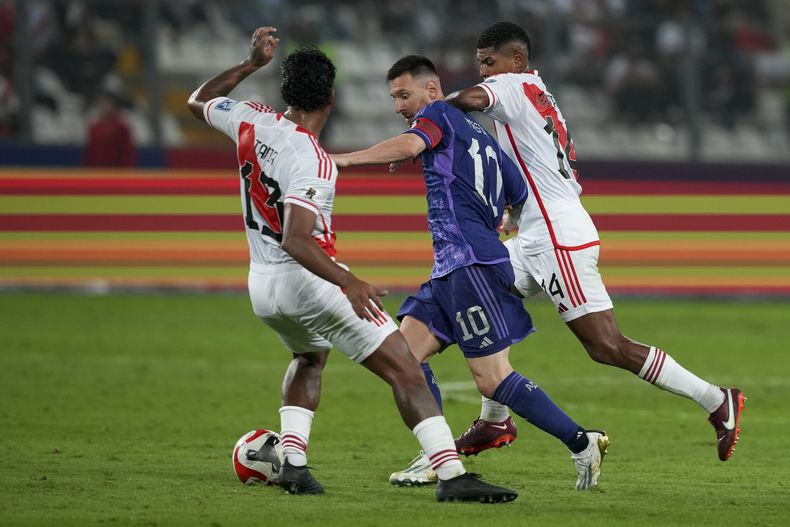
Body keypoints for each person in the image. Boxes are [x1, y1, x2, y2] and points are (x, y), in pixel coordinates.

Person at [186, 27, 518, 503]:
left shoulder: (250, 119)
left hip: (262, 285)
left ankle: (294, 465)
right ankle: (450, 474)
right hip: (310, 281)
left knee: (309, 356)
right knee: (404, 366)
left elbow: (199, 99)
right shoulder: (313, 159)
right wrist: (351, 282)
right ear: (333, 99)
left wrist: (248, 64)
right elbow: (297, 238)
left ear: (283, 92)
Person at [436, 21, 744, 465]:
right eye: (479, 64)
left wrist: (432, 111)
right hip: (537, 232)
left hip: (558, 238)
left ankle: (716, 399)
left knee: (606, 345)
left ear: (516, 60)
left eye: (488, 62)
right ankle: (495, 417)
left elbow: (469, 100)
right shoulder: (537, 95)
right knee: (478, 289)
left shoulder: (512, 84)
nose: (483, 72)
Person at [332, 55, 609, 492]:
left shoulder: (438, 113)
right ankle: (437, 454)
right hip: (452, 267)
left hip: (473, 265)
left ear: (432, 90)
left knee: (492, 378)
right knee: (402, 358)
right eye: (393, 97)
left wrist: (344, 161)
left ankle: (581, 441)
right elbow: (518, 196)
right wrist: (502, 221)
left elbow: (410, 145)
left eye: (404, 95)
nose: (398, 106)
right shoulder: (485, 139)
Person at [82, 90, 136, 167]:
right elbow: (89, 152)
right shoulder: (94, 127)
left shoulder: (121, 128)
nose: (103, 107)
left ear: (114, 106)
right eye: (101, 104)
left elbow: (127, 154)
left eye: (106, 104)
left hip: (116, 173)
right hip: (96, 172)